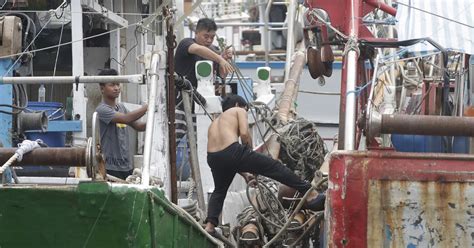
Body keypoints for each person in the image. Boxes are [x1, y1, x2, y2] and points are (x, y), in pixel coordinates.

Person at [204, 94, 326, 234]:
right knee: (275, 167)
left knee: (219, 191)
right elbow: (244, 134)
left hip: (213, 157)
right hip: (234, 152)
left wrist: (245, 175)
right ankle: (310, 194)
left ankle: (210, 226)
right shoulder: (239, 110)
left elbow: (226, 157)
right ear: (238, 105)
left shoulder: (214, 123)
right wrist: (250, 157)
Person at [95, 68, 147, 180]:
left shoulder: (121, 107)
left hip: (126, 166)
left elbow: (138, 126)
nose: (117, 88)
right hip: (109, 167)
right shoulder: (102, 109)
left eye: (118, 84)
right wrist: (148, 107)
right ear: (102, 88)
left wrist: (156, 122)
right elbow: (126, 119)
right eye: (112, 85)